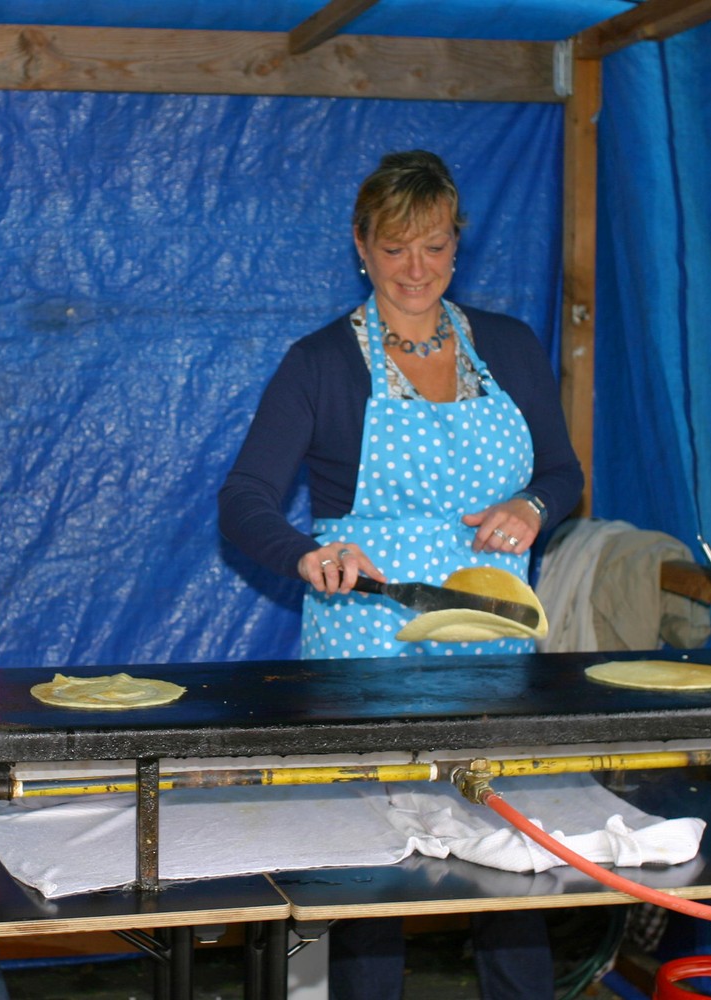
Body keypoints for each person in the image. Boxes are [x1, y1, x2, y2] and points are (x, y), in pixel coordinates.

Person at [218, 150, 584, 998]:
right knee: (374, 881)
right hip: (368, 655)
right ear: (361, 246)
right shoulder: (320, 363)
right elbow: (243, 499)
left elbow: (564, 473)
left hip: (492, 652)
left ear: (459, 243)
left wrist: (532, 505)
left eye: (434, 247)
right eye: (394, 248)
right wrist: (309, 553)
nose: (415, 269)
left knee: (513, 867)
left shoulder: (509, 346)